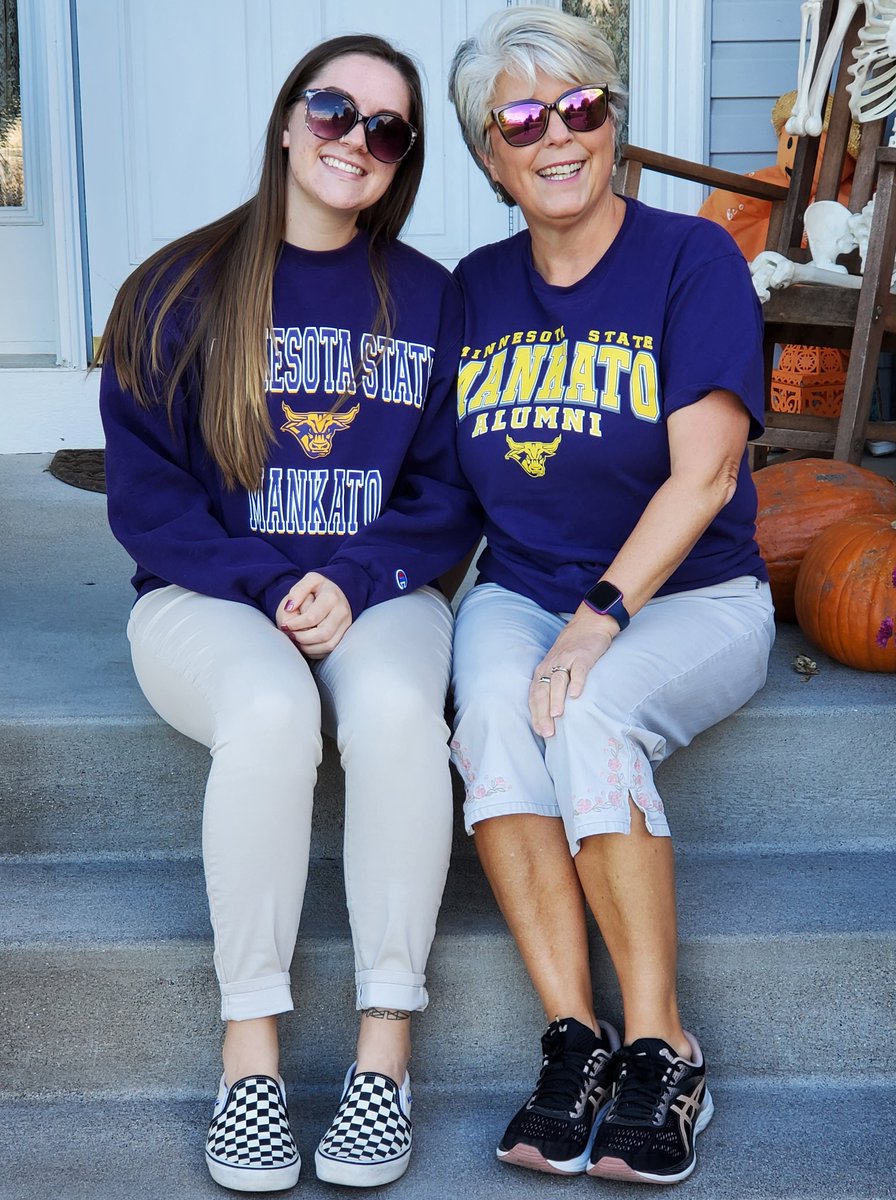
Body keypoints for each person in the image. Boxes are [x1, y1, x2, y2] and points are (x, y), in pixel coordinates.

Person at [99, 33, 478, 1193]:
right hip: (205, 599)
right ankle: (251, 1054)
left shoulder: (429, 298)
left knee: (403, 711)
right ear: (285, 120)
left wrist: (356, 578)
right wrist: (267, 585)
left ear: (403, 157)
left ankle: (385, 1050)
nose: (355, 140)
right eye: (333, 109)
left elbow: (451, 487)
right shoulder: (175, 288)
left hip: (381, 593)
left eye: (386, 128)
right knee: (269, 711)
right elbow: (149, 500)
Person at [448, 6, 775, 1186]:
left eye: (579, 107)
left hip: (692, 597)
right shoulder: (474, 290)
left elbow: (707, 476)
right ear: (491, 156)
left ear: (614, 124)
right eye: (521, 119)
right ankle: (575, 1044)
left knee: (586, 713)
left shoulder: (693, 260)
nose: (556, 137)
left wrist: (599, 618)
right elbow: (431, 482)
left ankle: (662, 1046)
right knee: (490, 715)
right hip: (521, 587)